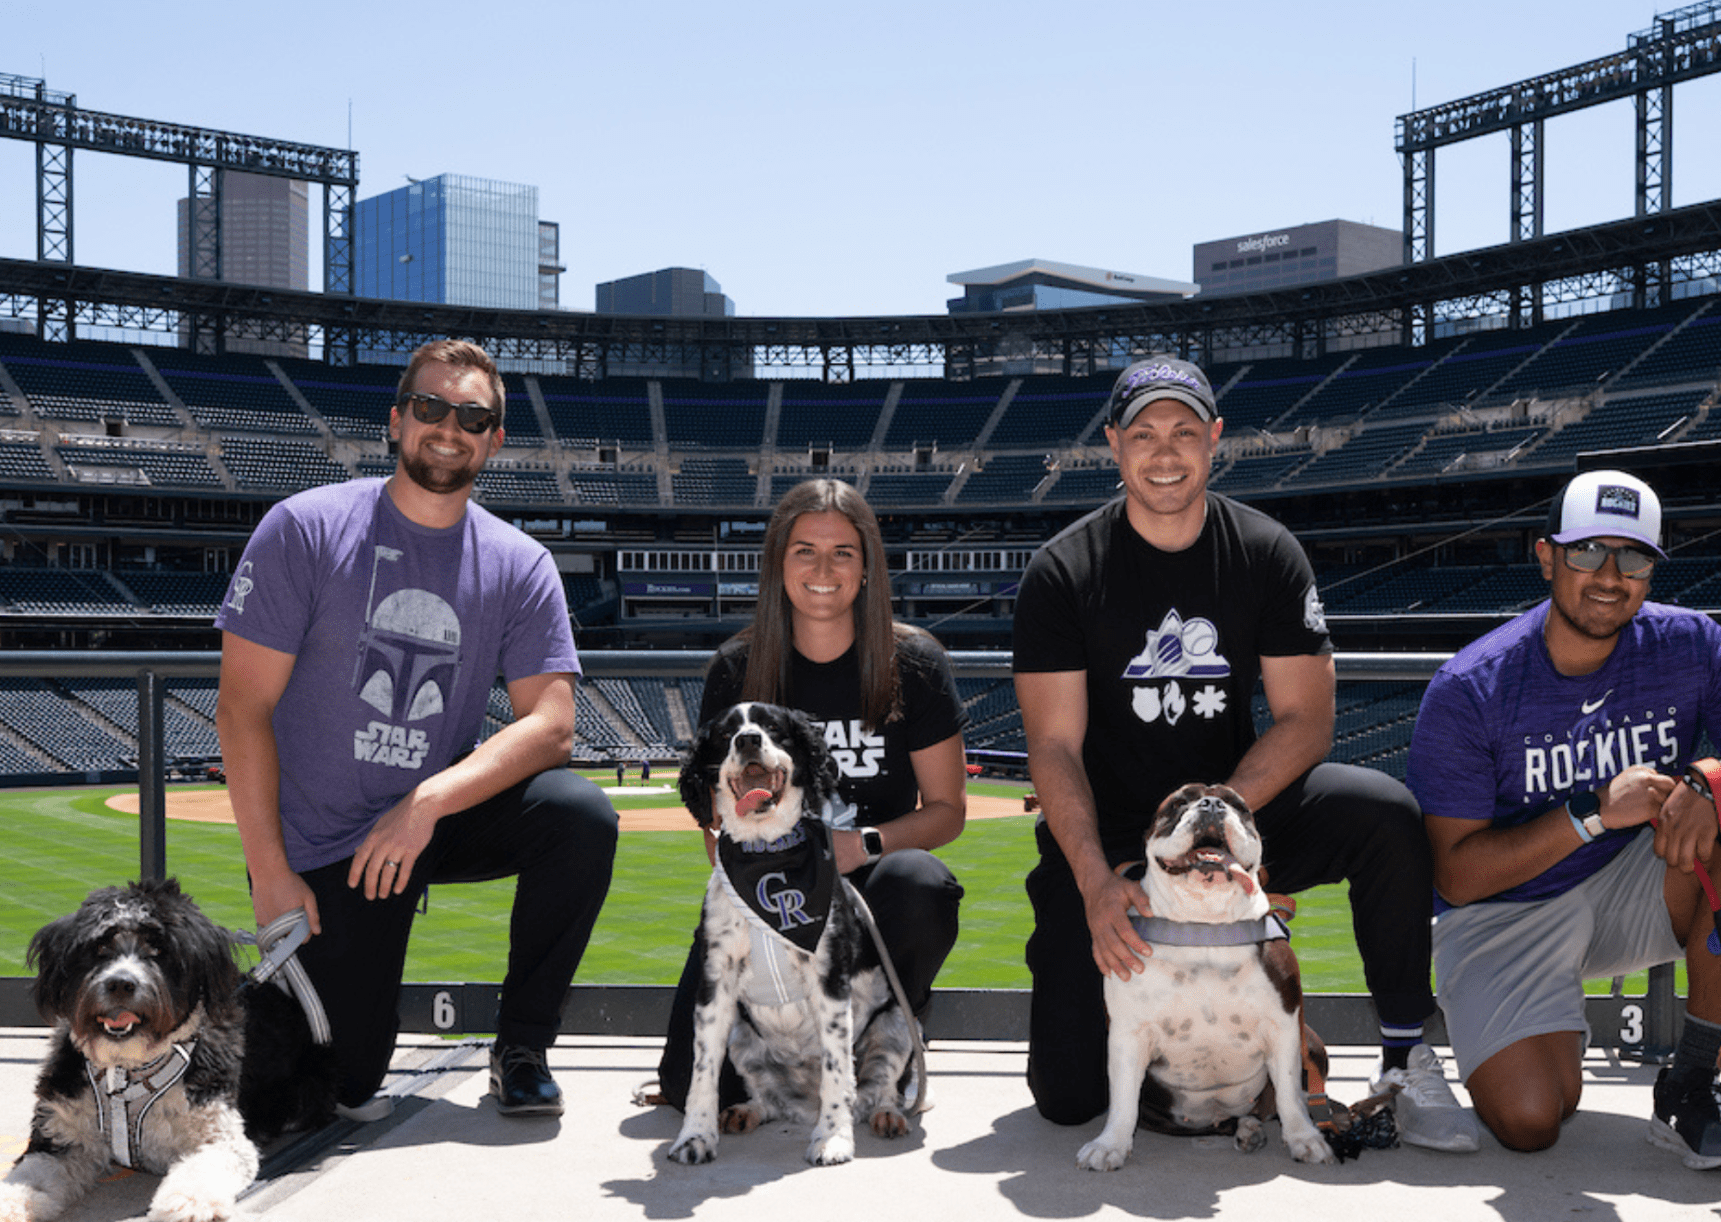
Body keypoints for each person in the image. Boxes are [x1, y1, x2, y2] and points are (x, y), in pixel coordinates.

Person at [1012, 355, 1478, 1152]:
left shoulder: (1265, 551)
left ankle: (1404, 1052)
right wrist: (1094, 881)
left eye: (1185, 432)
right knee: (1068, 1096)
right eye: (1146, 433)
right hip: (1117, 831)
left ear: (1216, 440)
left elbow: (1306, 720)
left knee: (1384, 815)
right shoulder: (1063, 570)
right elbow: (1053, 745)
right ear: (1115, 445)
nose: (1166, 452)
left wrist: (1217, 826)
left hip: (1238, 806)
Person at [216, 339, 618, 1121]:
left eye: (473, 416)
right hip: (327, 843)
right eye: (430, 408)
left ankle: (524, 1045)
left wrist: (427, 802)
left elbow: (553, 723)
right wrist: (270, 872)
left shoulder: (520, 561)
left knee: (578, 815)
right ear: (397, 420)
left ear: (495, 440)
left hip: (430, 815)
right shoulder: (305, 527)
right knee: (345, 1081)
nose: (449, 427)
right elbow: (242, 708)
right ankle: (212, 1016)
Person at [1406, 468, 1721, 1165]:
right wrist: (1592, 813)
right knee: (1530, 1119)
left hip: (1631, 887)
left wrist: (1714, 776)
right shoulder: (1470, 686)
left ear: (1652, 570)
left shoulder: (1690, 644)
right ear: (1547, 556)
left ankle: (1698, 1079)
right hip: (1500, 911)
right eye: (1587, 552)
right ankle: (1538, 1020)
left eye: (1632, 556)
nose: (1610, 575)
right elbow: (1454, 876)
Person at [651, 478, 968, 1109]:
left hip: (868, 879)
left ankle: (888, 1043)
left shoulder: (917, 663)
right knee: (686, 1086)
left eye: (843, 552)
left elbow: (948, 811)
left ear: (867, 566)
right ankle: (791, 1048)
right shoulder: (738, 668)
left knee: (922, 883)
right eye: (804, 550)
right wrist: (781, 869)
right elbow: (716, 829)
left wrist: (861, 845)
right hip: (768, 883)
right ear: (778, 563)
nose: (824, 569)